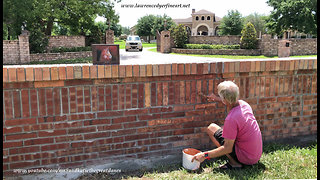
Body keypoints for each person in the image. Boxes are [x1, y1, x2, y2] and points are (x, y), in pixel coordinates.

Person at [192, 80, 262, 170]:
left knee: (211, 129)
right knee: (214, 128)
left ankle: (234, 163)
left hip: (246, 158)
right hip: (255, 155)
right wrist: (216, 98)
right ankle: (233, 158)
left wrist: (204, 155)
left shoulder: (231, 119)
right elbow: (231, 101)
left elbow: (227, 148)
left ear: (225, 100)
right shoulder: (244, 105)